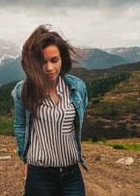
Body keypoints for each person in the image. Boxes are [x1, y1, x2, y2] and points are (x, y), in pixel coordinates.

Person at [11, 24, 88, 196]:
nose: (49, 68)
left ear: (62, 59)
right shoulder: (22, 91)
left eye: (54, 60)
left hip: (72, 173)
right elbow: (20, 125)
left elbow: (79, 119)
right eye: (42, 61)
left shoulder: (78, 88)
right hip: (39, 174)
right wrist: (26, 160)